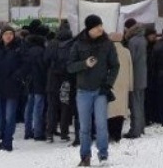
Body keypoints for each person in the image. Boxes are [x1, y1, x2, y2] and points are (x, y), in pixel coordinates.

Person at [68, 15, 120, 167]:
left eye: (101, 25)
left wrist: (108, 84)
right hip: (83, 91)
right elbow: (70, 66)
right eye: (97, 26)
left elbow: (115, 66)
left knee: (101, 124)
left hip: (100, 91)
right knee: (84, 126)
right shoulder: (78, 44)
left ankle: (103, 155)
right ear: (90, 28)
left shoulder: (108, 44)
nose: (101, 28)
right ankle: (85, 156)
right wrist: (84, 64)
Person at [0, 25, 25, 151]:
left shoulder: (19, 48)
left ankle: (8, 141)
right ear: (2, 36)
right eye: (5, 34)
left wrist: (16, 76)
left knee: (10, 115)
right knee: (2, 114)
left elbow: (24, 65)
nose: (8, 36)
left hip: (12, 87)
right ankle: (4, 139)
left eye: (10, 33)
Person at [44, 24, 74, 143]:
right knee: (65, 107)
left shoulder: (52, 43)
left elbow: (45, 60)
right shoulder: (72, 44)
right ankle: (64, 133)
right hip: (66, 80)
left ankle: (49, 133)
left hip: (52, 80)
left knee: (52, 107)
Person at [122, 19, 147, 138]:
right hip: (143, 75)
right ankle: (141, 127)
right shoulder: (142, 39)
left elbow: (130, 59)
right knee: (140, 103)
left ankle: (135, 130)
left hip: (135, 76)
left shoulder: (133, 41)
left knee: (134, 104)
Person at [23, 26, 48, 140]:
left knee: (29, 106)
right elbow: (44, 67)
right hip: (40, 81)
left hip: (29, 81)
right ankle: (38, 132)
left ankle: (27, 131)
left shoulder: (27, 51)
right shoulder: (42, 51)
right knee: (38, 107)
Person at [107, 32, 133, 143]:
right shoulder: (126, 51)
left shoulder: (107, 51)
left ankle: (111, 133)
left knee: (110, 110)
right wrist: (130, 85)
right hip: (123, 84)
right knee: (121, 111)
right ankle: (118, 134)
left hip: (110, 83)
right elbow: (130, 69)